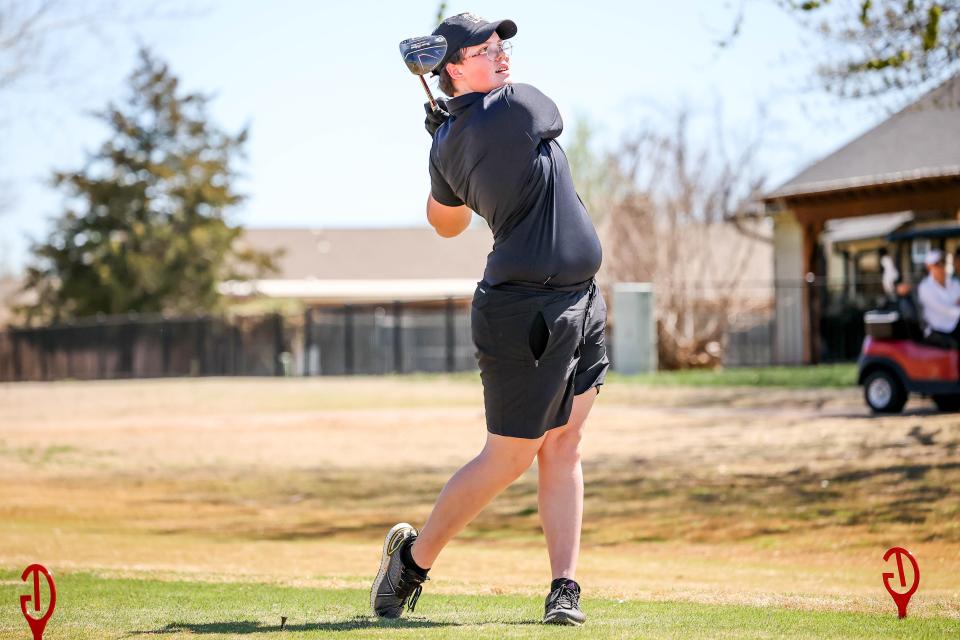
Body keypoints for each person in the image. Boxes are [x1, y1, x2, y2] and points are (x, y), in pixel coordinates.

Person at [371, 13, 608, 627]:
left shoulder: (452, 136)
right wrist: (457, 131)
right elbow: (545, 116)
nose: (502, 57)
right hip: (520, 309)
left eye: (502, 47)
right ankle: (412, 563)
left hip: (582, 299)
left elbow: (444, 219)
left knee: (566, 443)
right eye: (484, 49)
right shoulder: (521, 107)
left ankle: (565, 587)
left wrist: (446, 141)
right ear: (451, 67)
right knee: (509, 456)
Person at [916, 249, 960, 342]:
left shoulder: (954, 283)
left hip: (956, 325)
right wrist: (954, 305)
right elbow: (945, 309)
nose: (941, 266)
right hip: (937, 330)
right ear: (929, 267)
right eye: (937, 263)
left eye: (943, 262)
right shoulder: (925, 288)